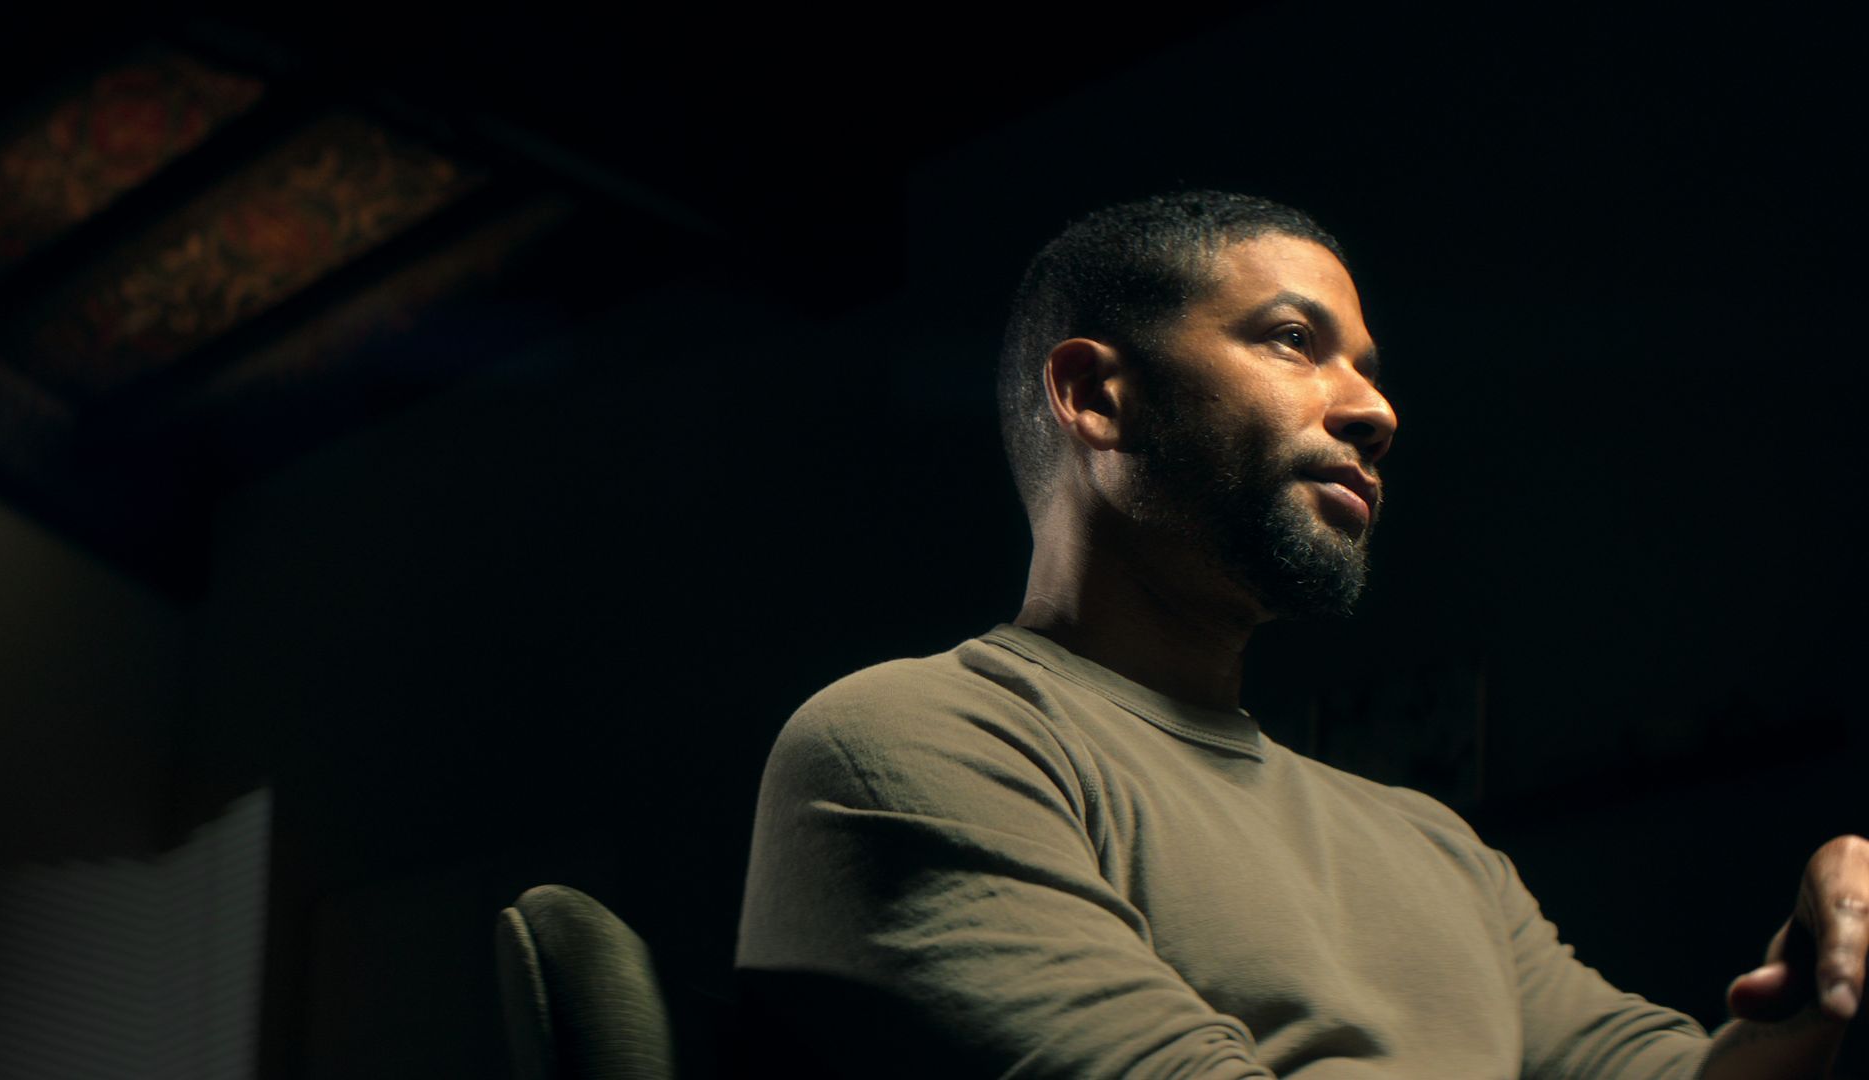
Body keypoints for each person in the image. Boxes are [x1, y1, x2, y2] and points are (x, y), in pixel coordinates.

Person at [734, 191, 1867, 1078]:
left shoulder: (1437, 848)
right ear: (1096, 398)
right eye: (1292, 341)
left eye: (1368, 371)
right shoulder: (910, 743)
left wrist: (1822, 994)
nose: (1376, 412)